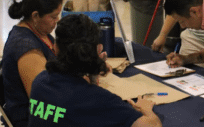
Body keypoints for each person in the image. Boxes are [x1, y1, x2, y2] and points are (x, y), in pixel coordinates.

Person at [28, 14, 162, 127]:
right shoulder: (98, 99)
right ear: (97, 50)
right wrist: (146, 110)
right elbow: (152, 125)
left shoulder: (39, 82)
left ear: (55, 48)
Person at [2, 0, 63, 127]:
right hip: (30, 118)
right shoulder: (26, 47)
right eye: (53, 16)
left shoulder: (40, 32)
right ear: (35, 16)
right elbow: (42, 104)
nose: (57, 20)